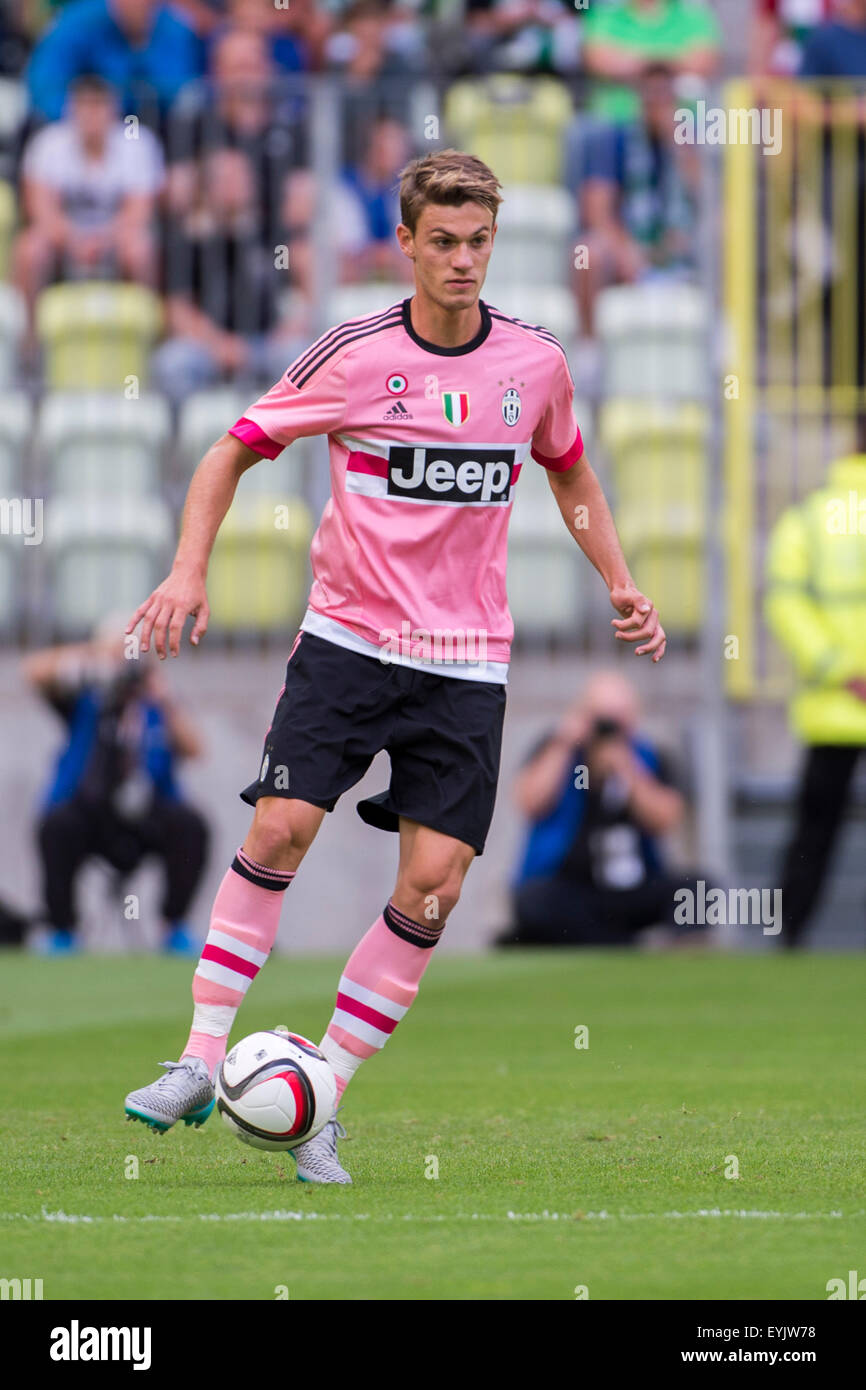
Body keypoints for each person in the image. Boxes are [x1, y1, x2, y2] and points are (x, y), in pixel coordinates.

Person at [122, 148, 666, 1181]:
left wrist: (619, 578)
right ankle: (197, 1058)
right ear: (406, 242)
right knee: (281, 824)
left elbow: (571, 469)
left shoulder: (534, 364)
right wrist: (188, 570)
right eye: (444, 242)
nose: (463, 261)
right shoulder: (355, 354)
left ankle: (317, 1092)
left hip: (466, 664)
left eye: (479, 243)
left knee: (433, 884)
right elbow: (228, 448)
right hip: (348, 639)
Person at [25, 618, 209, 955]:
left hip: (147, 815)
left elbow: (196, 749)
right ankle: (62, 931)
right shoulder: (87, 699)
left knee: (190, 825)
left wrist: (163, 699)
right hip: (92, 813)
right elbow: (33, 672)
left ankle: (174, 928)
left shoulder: (158, 705)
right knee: (56, 825)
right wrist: (96, 660)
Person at [497, 670, 702, 946]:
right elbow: (529, 801)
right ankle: (617, 943)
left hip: (632, 888)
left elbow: (666, 818)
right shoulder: (559, 750)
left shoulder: (648, 756)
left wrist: (627, 771)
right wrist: (564, 743)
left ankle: (609, 941)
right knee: (533, 901)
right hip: (571, 887)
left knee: (698, 890)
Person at [765, 427, 866, 948]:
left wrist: (838, 669)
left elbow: (784, 602)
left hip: (836, 705)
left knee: (813, 833)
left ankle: (787, 937)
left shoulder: (811, 517)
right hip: (837, 705)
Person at [12, 72, 164, 338]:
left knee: (141, 250)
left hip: (115, 242)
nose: (91, 114)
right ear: (70, 108)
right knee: (30, 249)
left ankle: (146, 341)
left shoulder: (137, 143)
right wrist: (75, 242)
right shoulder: (49, 143)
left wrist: (103, 241)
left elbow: (139, 212)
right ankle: (30, 345)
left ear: (114, 108)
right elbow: (41, 209)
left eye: (99, 105)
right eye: (84, 105)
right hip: (64, 243)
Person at [151, 144, 303, 406]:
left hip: (266, 345)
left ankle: (296, 442)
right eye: (226, 179)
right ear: (208, 187)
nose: (235, 185)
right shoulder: (188, 240)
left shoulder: (272, 236)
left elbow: (299, 296)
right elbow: (177, 310)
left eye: (241, 177)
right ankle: (188, 442)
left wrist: (285, 331)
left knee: (301, 356)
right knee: (172, 363)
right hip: (207, 348)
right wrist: (220, 346)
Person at [568, 62, 701, 341]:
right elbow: (597, 211)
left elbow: (707, 198)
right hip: (630, 247)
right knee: (587, 252)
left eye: (665, 95)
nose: (657, 103)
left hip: (681, 246)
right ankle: (589, 349)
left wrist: (678, 145)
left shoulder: (693, 143)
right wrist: (626, 252)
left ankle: (719, 351)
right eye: (651, 94)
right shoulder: (614, 139)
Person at [26, 0, 203, 123]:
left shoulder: (174, 27)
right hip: (81, 130)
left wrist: (140, 48)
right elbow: (44, 84)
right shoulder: (80, 23)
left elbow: (183, 87)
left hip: (147, 129)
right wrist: (88, 116)